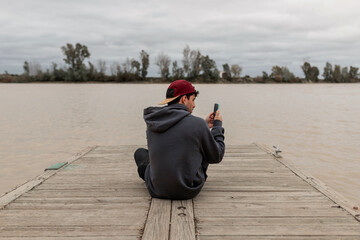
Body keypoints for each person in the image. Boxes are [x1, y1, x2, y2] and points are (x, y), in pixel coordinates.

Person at [134, 79, 225, 200]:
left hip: (157, 189)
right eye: (192, 100)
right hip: (188, 189)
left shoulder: (153, 121)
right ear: (183, 99)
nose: (194, 105)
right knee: (203, 145)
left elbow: (176, 133)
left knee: (140, 153)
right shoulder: (197, 124)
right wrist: (217, 126)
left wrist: (203, 124)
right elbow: (216, 156)